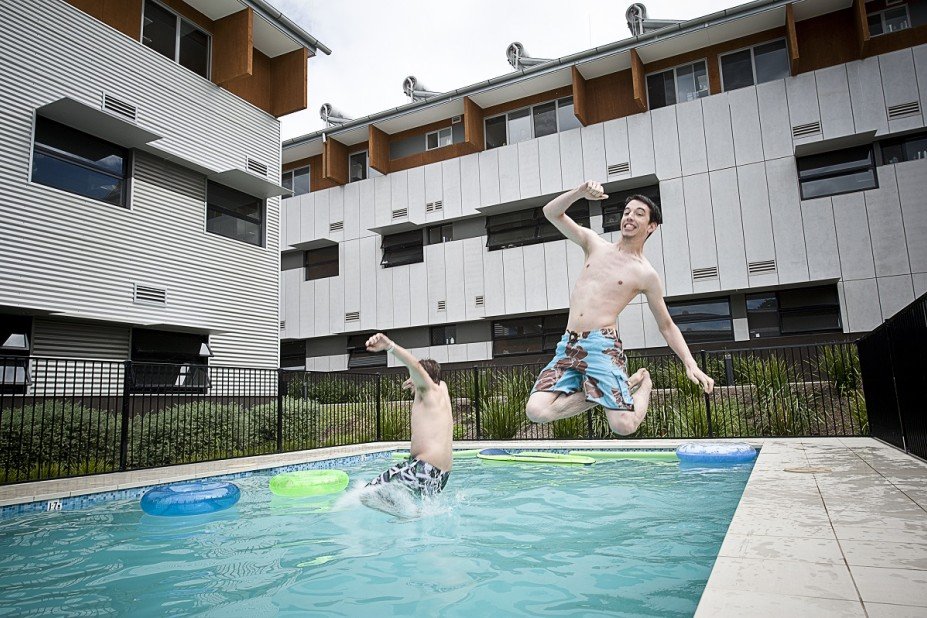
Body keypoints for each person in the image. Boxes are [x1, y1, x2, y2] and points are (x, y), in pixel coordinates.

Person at [525, 180, 714, 435]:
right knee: (536, 411)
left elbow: (667, 325)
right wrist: (580, 192)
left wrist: (690, 363)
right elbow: (551, 212)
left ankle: (643, 383)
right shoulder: (594, 244)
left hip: (602, 345)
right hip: (568, 345)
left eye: (639, 213)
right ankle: (623, 384)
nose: (630, 217)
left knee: (623, 426)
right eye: (627, 212)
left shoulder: (645, 274)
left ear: (651, 226)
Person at [362, 333, 453, 502]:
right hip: (441, 475)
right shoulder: (442, 390)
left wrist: (389, 346)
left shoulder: (428, 390)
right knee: (409, 502)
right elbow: (428, 376)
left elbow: (417, 367)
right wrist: (414, 381)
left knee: (367, 496)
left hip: (424, 468)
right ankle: (412, 516)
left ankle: (408, 515)